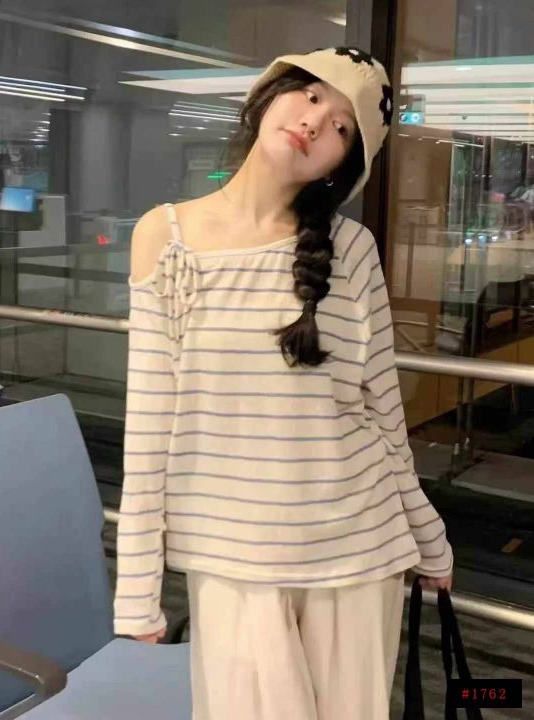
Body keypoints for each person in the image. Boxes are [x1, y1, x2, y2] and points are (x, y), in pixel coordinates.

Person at [113, 46, 453, 719]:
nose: (316, 121)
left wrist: (429, 536)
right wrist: (136, 590)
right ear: (268, 97)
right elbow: (149, 427)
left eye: (342, 127)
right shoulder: (166, 237)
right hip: (233, 561)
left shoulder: (352, 250)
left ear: (340, 166)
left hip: (360, 552)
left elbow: (384, 414)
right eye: (312, 94)